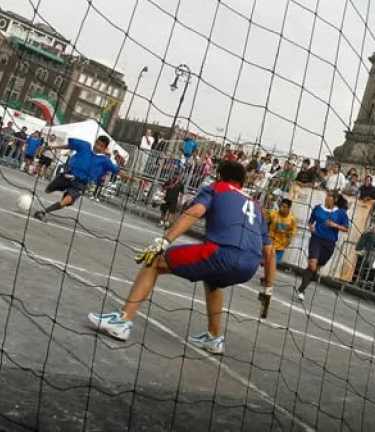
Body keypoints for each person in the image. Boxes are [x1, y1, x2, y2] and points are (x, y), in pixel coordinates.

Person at [87, 161, 277, 354]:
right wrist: (268, 288)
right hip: (249, 266)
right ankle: (214, 337)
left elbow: (195, 212)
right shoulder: (257, 206)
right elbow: (269, 252)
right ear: (243, 182)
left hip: (221, 253)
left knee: (153, 261)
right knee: (213, 281)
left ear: (219, 175)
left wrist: (165, 241)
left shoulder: (215, 188)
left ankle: (123, 321)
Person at [33, 136, 138, 221]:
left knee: (66, 200)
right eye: (97, 143)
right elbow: (69, 145)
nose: (97, 146)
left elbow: (118, 171)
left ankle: (44, 212)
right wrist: (51, 148)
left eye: (101, 145)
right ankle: (56, 190)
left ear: (105, 148)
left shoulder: (105, 161)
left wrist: (132, 178)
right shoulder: (85, 147)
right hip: (69, 175)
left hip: (80, 183)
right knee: (48, 190)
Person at [296, 192, 350, 301]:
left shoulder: (340, 213)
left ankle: (302, 287)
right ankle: (302, 290)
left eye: (330, 196)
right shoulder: (318, 208)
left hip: (329, 244)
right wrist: (311, 227)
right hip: (316, 239)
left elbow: (346, 228)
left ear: (334, 200)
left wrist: (335, 225)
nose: (327, 197)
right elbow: (311, 221)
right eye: (327, 195)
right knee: (312, 264)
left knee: (317, 268)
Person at [267, 199, 298, 265]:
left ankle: (268, 274)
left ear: (289, 208)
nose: (281, 208)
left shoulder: (292, 219)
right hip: (270, 241)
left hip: (281, 245)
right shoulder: (273, 214)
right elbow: (266, 222)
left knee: (274, 264)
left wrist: (289, 238)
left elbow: (293, 230)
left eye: (284, 207)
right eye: (280, 206)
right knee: (267, 262)